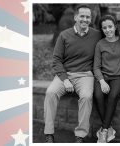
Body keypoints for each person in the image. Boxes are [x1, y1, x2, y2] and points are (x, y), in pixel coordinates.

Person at [43, 5, 102, 143]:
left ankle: (80, 135)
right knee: (50, 92)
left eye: (88, 17)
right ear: (75, 17)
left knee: (87, 97)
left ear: (90, 19)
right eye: (82, 16)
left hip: (85, 75)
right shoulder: (64, 35)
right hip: (65, 74)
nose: (85, 19)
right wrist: (65, 79)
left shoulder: (96, 35)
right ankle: (49, 133)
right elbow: (56, 60)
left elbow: (112, 39)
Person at [93, 15, 120, 143]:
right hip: (103, 77)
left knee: (112, 97)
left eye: (110, 26)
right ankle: (109, 128)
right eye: (104, 28)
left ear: (115, 26)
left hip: (118, 77)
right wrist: (101, 81)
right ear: (102, 29)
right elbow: (96, 67)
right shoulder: (100, 44)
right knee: (98, 96)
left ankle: (104, 131)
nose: (108, 30)